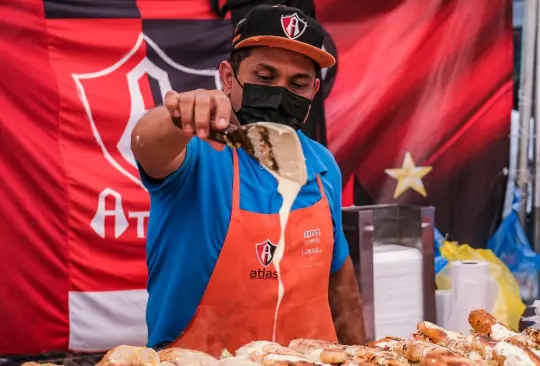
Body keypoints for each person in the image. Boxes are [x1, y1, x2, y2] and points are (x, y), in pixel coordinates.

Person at [132, 4, 366, 356]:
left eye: (297, 84)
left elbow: (340, 276)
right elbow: (147, 144)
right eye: (265, 77)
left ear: (315, 90)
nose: (280, 92)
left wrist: (360, 354)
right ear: (228, 77)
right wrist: (177, 118)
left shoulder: (322, 165)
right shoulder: (197, 154)